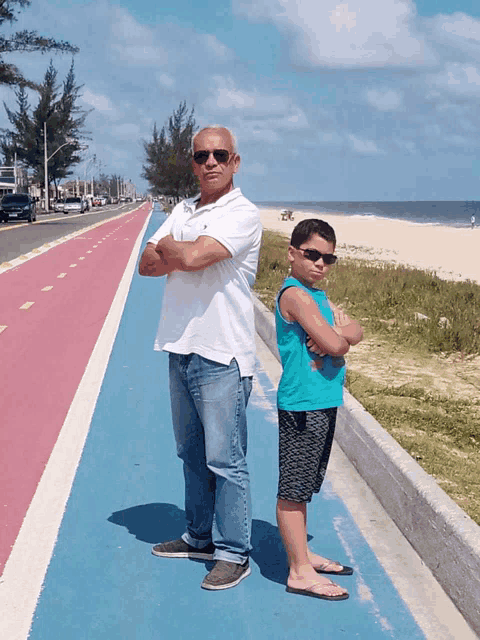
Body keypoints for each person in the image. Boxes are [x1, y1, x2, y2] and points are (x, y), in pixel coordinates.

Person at [138, 126, 262, 591]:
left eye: (219, 155)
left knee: (225, 460)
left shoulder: (243, 213)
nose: (210, 162)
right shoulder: (184, 209)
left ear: (235, 162)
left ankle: (234, 552)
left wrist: (177, 249)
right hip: (179, 347)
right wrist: (179, 251)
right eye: (201, 155)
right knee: (190, 454)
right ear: (192, 163)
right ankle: (199, 536)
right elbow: (146, 264)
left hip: (222, 353)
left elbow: (188, 258)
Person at [275, 218, 363, 601]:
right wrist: (334, 339)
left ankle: (303, 553)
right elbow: (339, 344)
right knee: (294, 489)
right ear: (293, 253)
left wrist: (335, 337)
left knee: (308, 485)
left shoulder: (320, 298)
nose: (320, 264)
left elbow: (354, 331)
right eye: (312, 255)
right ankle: (299, 571)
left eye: (329, 258)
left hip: (323, 402)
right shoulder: (296, 295)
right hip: (302, 404)